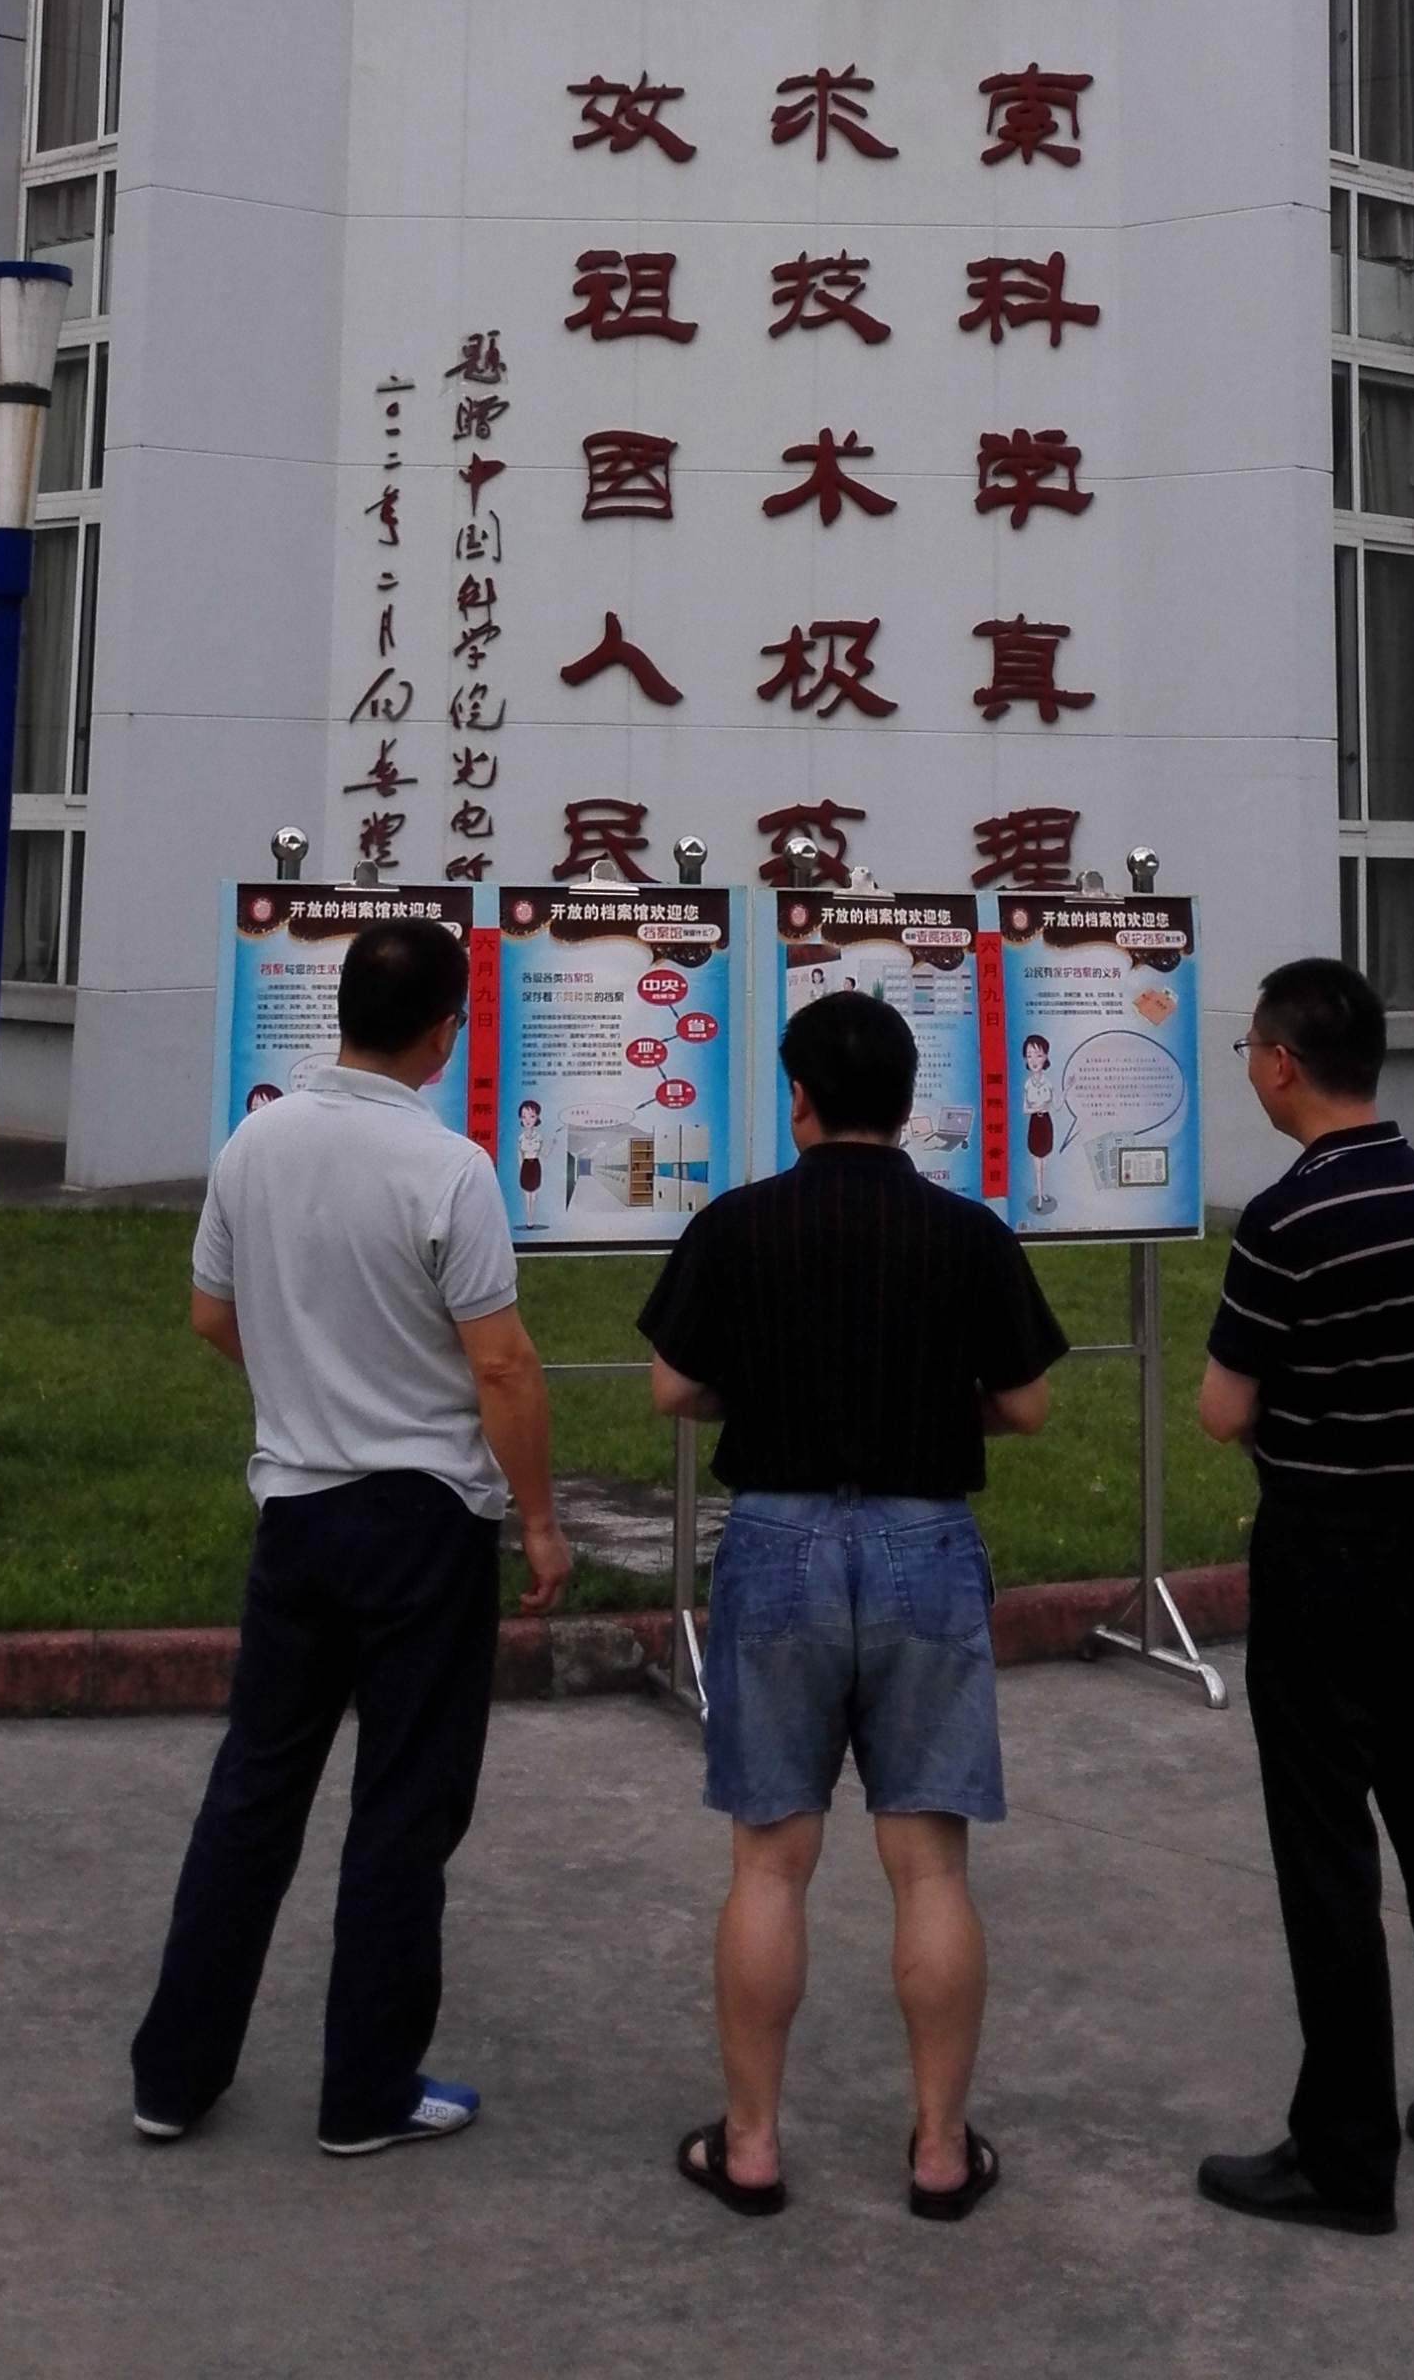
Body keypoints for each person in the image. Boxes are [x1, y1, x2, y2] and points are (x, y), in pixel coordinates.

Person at [130, 915, 571, 2157]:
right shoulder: (449, 1168)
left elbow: (210, 1314)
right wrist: (540, 1520)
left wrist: (303, 1385)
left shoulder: (254, 1142)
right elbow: (503, 1364)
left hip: (297, 1511)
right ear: (444, 1029)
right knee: (403, 1804)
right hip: (423, 1519)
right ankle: (365, 2090)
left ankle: (172, 2075)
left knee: (254, 1790)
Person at [639, 988, 1068, 2223]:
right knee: (927, 1861)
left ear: (799, 1099)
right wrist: (936, 1402)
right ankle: (937, 2150)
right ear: (907, 1100)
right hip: (924, 1539)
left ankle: (751, 2145)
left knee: (770, 1858)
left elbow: (674, 1385)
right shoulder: (965, 1231)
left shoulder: (735, 1223)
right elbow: (1026, 1402)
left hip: (775, 1539)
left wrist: (764, 1394)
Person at [1194, 956, 1414, 2236]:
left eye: (1249, 1046)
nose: (1247, 1065)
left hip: (1322, 1542)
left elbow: (1221, 1407)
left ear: (1282, 1062)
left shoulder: (1283, 1219)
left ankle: (1343, 2155)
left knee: (1325, 1840)